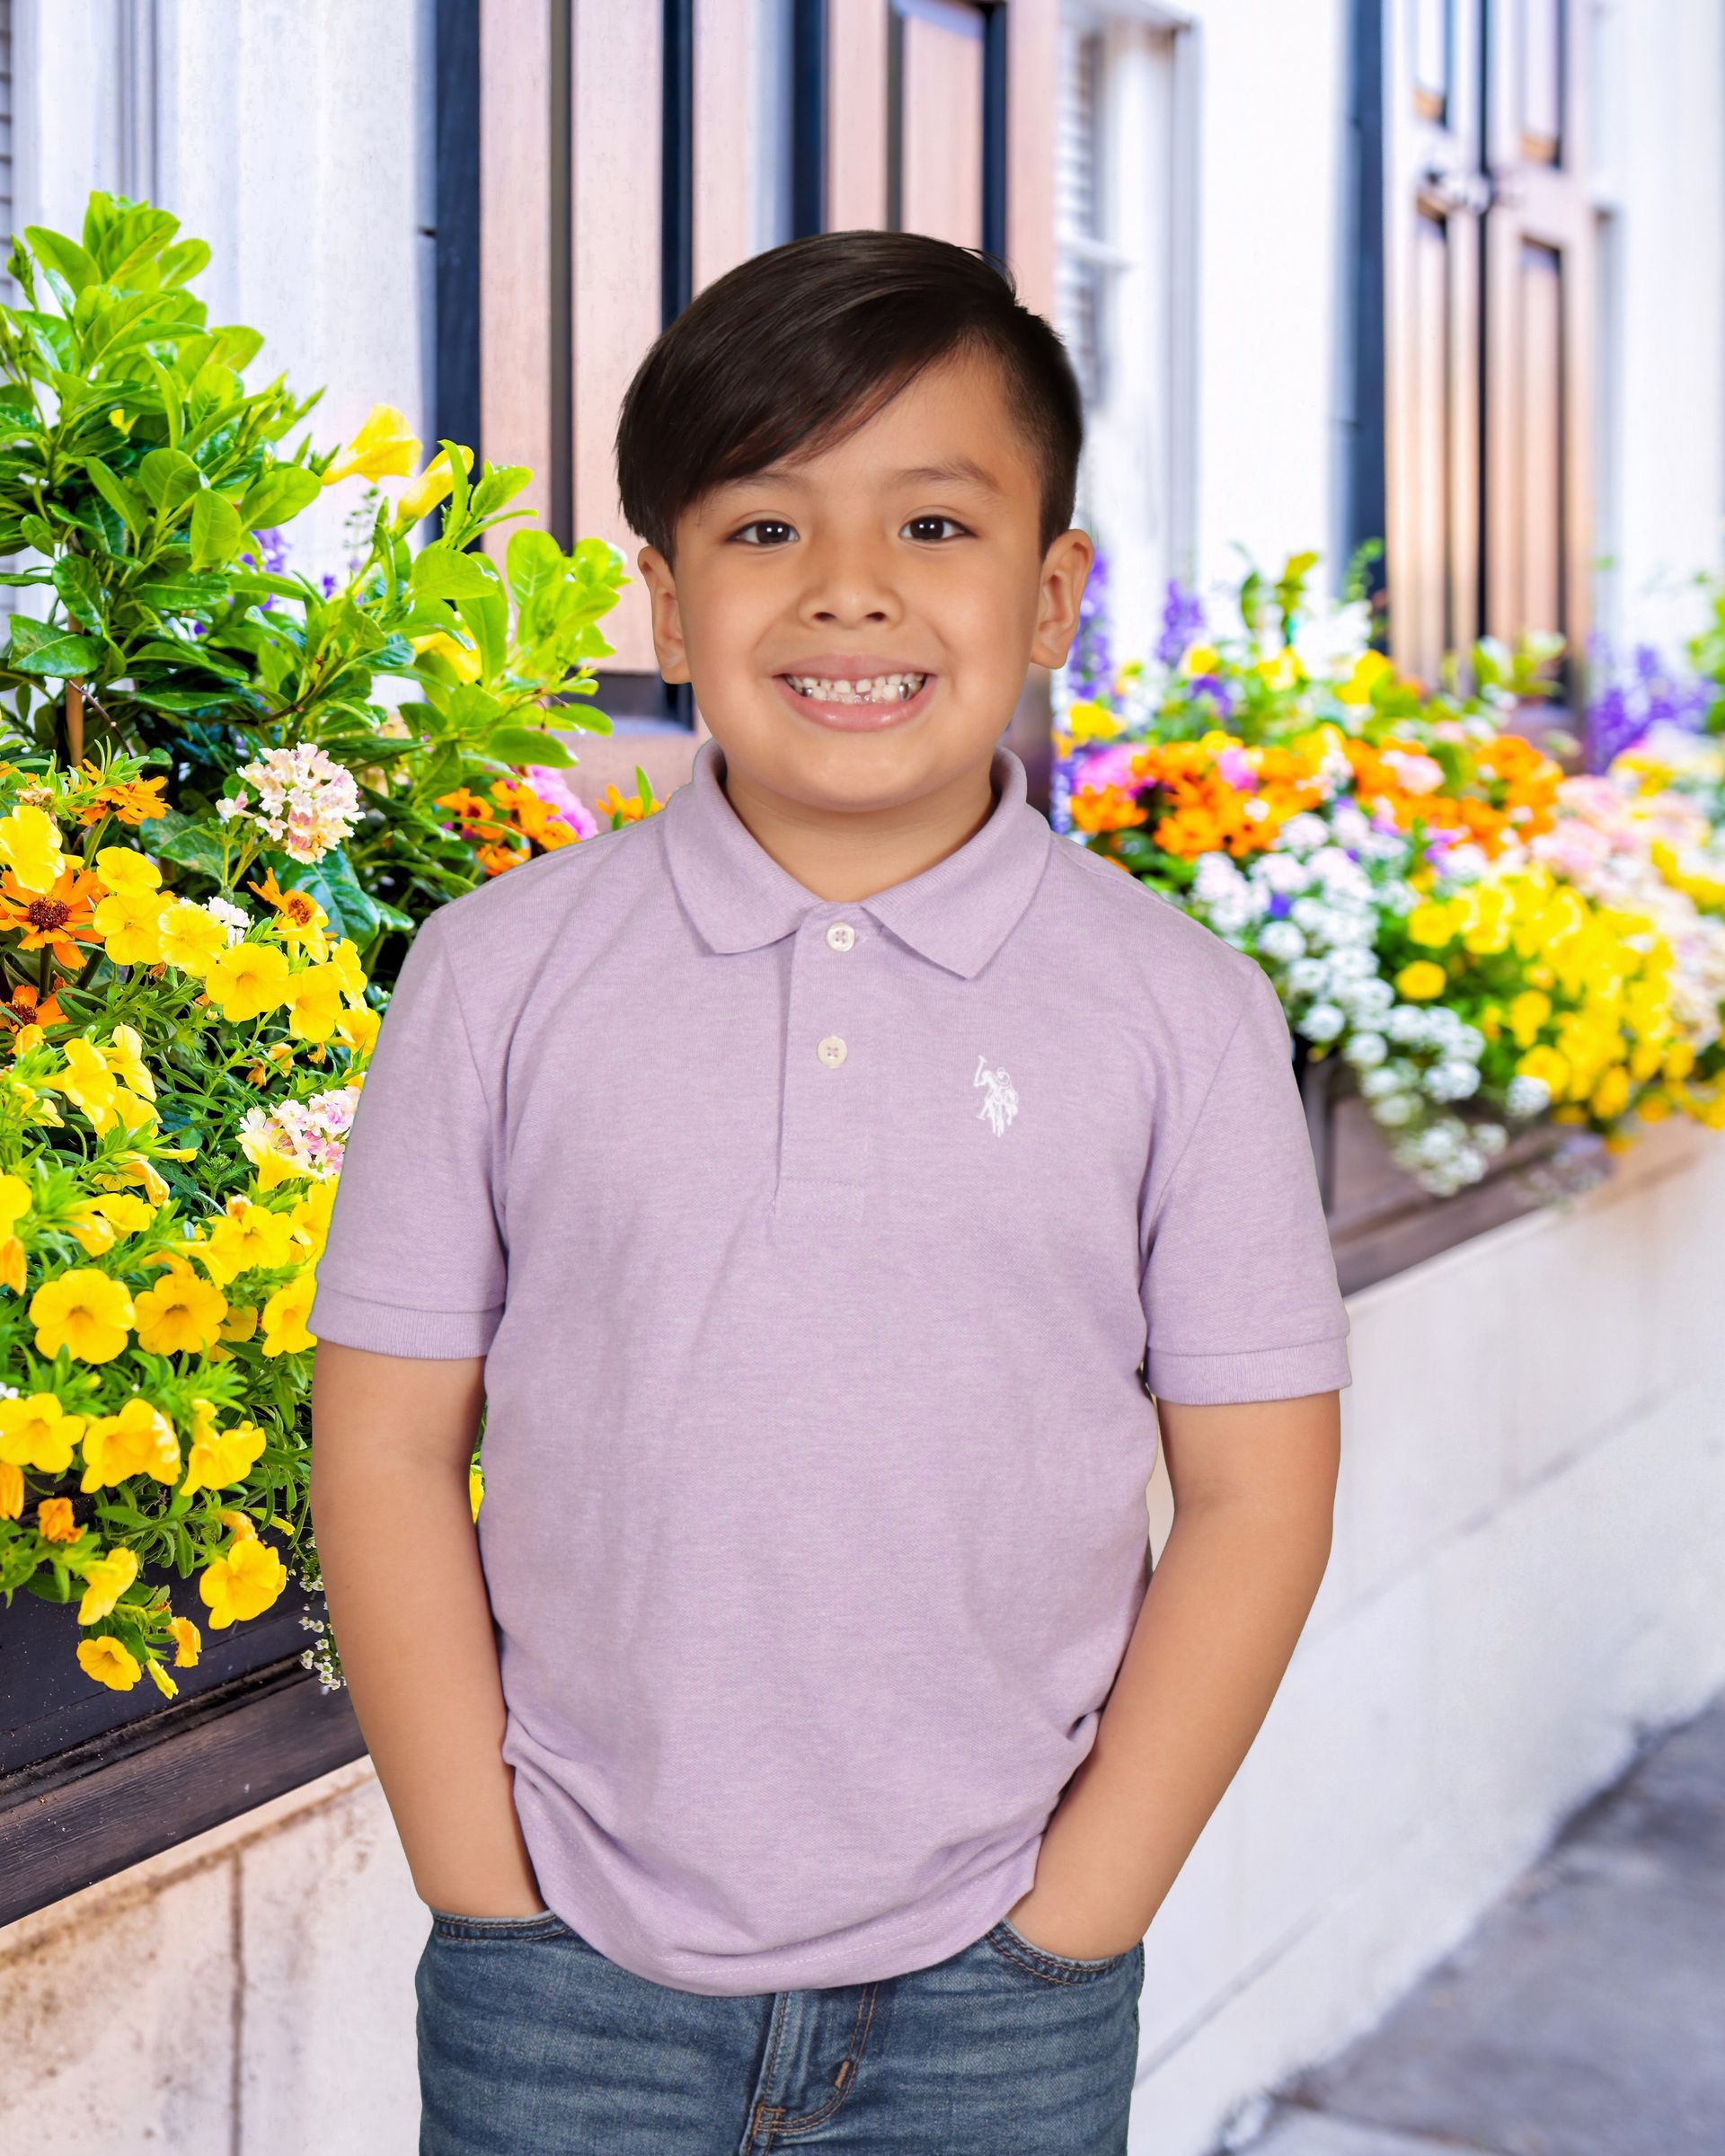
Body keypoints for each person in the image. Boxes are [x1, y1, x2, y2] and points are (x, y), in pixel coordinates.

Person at [308, 227, 1350, 2155]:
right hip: (567, 1984)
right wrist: (485, 1884)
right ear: (667, 595)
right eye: (765, 530)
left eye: (934, 528)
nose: (849, 594)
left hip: (997, 1993)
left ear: (1053, 595)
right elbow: (381, 1444)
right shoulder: (498, 972)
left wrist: (1074, 1920)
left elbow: (1258, 1490)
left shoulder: (1178, 1011)